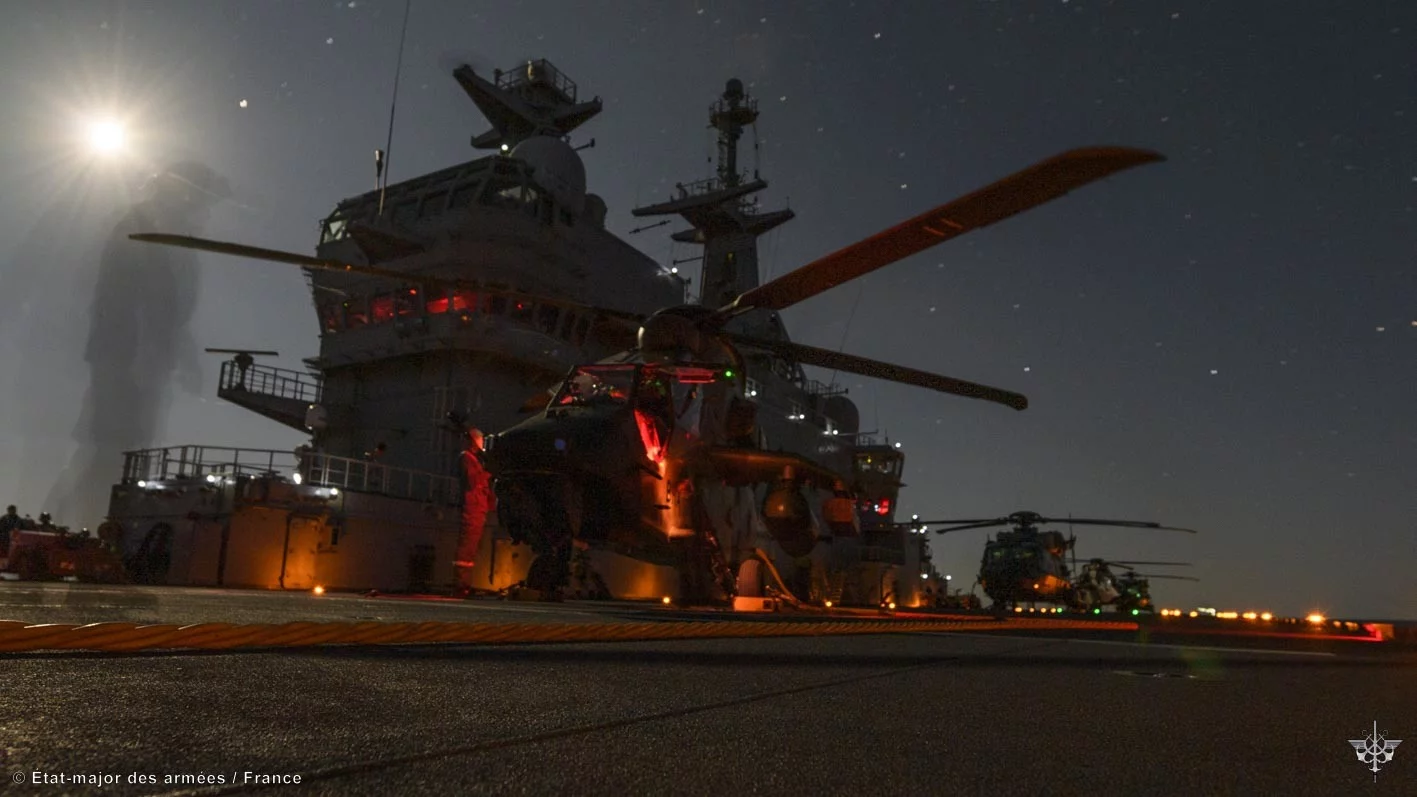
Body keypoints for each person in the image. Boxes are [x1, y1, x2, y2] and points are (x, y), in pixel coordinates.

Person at [453, 428, 495, 596]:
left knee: (470, 549)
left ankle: (464, 584)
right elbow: (473, 480)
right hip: (472, 508)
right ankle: (461, 585)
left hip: (478, 508)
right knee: (466, 548)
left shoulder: (473, 459)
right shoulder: (467, 458)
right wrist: (488, 471)